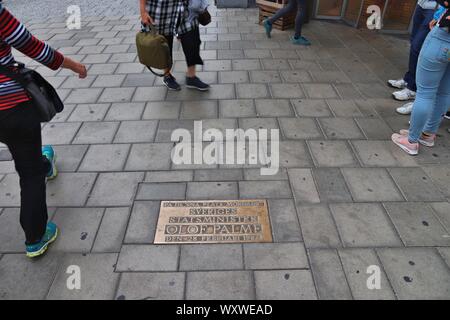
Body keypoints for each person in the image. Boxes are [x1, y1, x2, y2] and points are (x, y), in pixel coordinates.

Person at [0, 3, 87, 257]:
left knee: (24, 149)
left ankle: (42, 162)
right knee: (29, 174)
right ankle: (36, 236)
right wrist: (73, 65)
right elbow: (32, 45)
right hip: (10, 106)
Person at [391, 0, 450, 155]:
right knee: (444, 92)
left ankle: (411, 140)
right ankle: (428, 135)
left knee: (425, 93)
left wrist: (440, 16)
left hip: (443, 37)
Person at [139, 0, 210, 91]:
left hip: (185, 7)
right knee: (164, 44)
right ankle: (167, 75)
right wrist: (143, 11)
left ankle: (191, 77)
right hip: (162, 9)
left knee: (192, 41)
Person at [389, 0, 438, 115]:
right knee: (414, 43)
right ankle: (409, 79)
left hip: (436, 8)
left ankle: (413, 89)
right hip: (422, 4)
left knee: (417, 46)